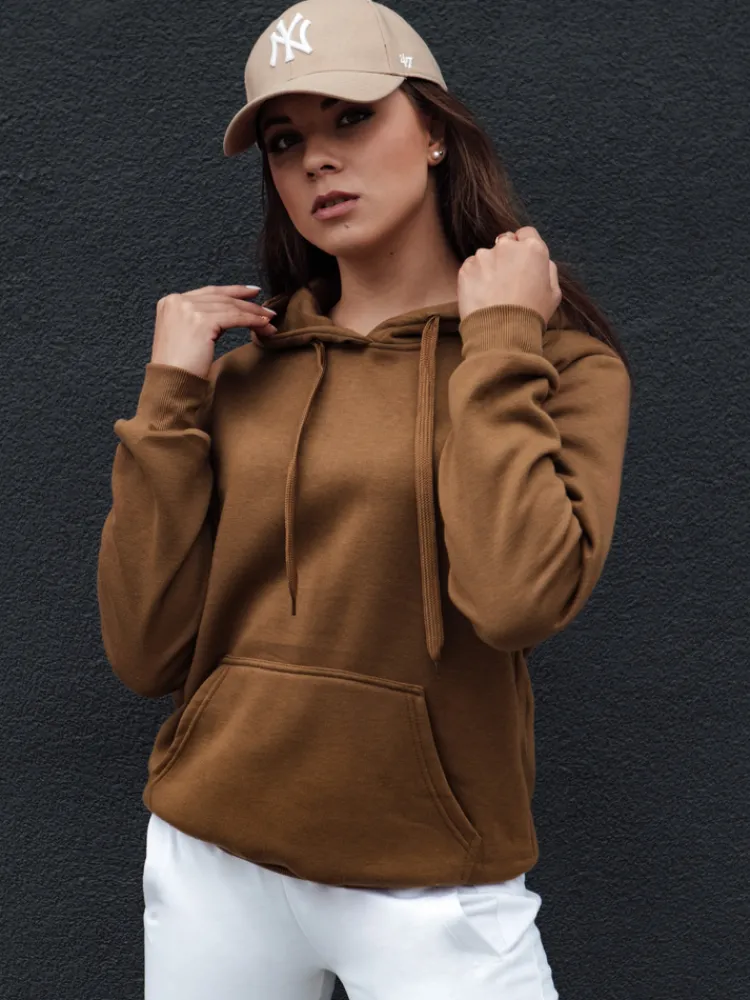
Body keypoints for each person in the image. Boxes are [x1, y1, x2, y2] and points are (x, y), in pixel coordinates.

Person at [96, 0, 632, 996]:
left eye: (352, 118)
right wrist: (168, 401)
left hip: (432, 883)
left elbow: (516, 600)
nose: (316, 160)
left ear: (434, 130)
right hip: (213, 856)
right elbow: (144, 650)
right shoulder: (243, 373)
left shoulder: (555, 365)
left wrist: (500, 343)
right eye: (285, 140)